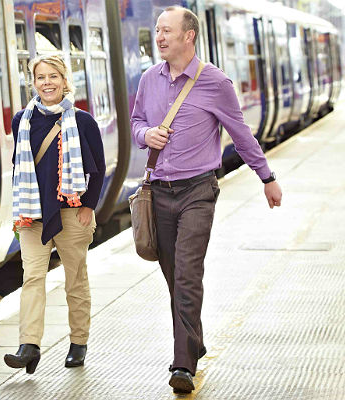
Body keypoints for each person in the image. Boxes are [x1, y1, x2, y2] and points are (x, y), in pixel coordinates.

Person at [131, 6, 282, 394]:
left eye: (167, 31)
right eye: (157, 31)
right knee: (172, 278)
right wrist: (146, 134)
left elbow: (241, 133)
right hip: (159, 193)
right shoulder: (150, 79)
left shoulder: (215, 82)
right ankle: (193, 342)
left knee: (187, 273)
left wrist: (266, 176)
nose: (159, 37)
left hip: (198, 191)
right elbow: (135, 123)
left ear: (189, 36)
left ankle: (183, 364)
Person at [4, 54, 105, 373]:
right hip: (33, 215)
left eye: (53, 76)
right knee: (32, 277)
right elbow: (18, 166)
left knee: (75, 280)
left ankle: (78, 343)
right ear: (33, 83)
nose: (46, 82)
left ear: (64, 80)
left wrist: (89, 205)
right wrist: (22, 205)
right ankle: (29, 345)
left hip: (71, 213)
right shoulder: (22, 119)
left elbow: (98, 169)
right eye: (40, 78)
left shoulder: (83, 121)